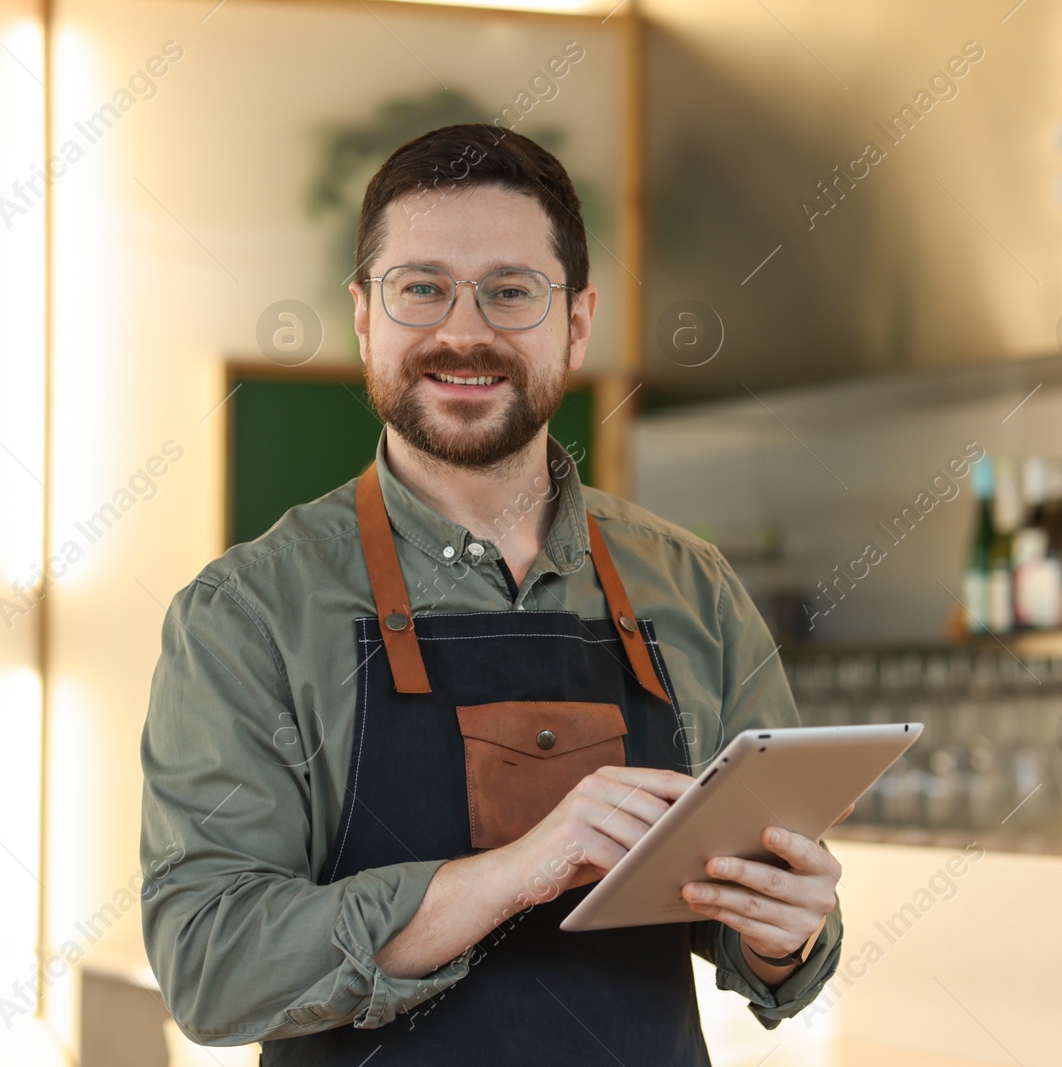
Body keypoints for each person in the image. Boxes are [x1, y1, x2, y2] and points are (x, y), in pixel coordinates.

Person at [139, 124, 844, 1065]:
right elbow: (211, 964)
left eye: (511, 293)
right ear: (363, 315)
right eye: (421, 287)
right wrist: (519, 871)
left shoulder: (696, 589)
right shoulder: (249, 613)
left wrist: (783, 931)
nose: (462, 332)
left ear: (577, 321)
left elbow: (760, 903)